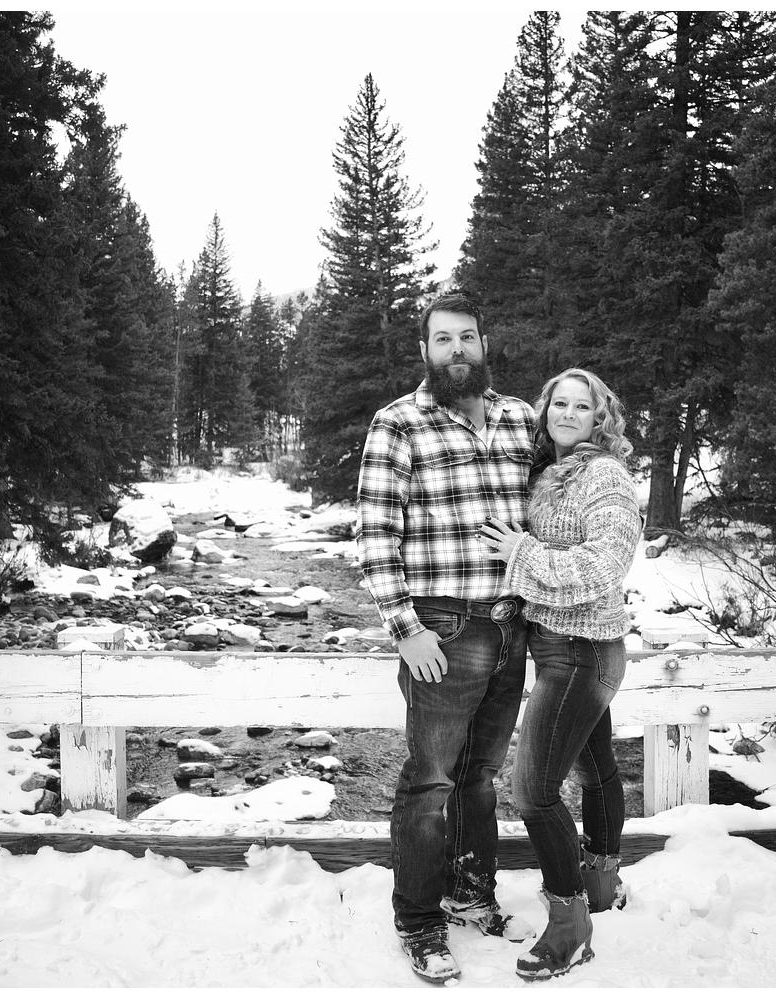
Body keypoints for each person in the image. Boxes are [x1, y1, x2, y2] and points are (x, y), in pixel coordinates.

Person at [356, 291, 550, 983]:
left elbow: (555, 499)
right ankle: (418, 920)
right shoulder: (398, 423)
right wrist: (405, 628)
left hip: (511, 622)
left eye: (467, 337)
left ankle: (471, 894)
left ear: (484, 343)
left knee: (480, 776)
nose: (457, 350)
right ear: (425, 350)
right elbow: (375, 534)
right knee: (430, 779)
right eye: (443, 339)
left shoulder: (521, 418)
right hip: (442, 625)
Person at [479, 367, 641, 981]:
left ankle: (571, 927)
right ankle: (600, 883)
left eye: (582, 406)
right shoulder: (551, 471)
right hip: (564, 647)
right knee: (597, 769)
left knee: (533, 791)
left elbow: (605, 566)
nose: (568, 414)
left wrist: (521, 552)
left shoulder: (604, 476)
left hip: (581, 652)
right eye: (559, 403)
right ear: (546, 410)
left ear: (601, 417)